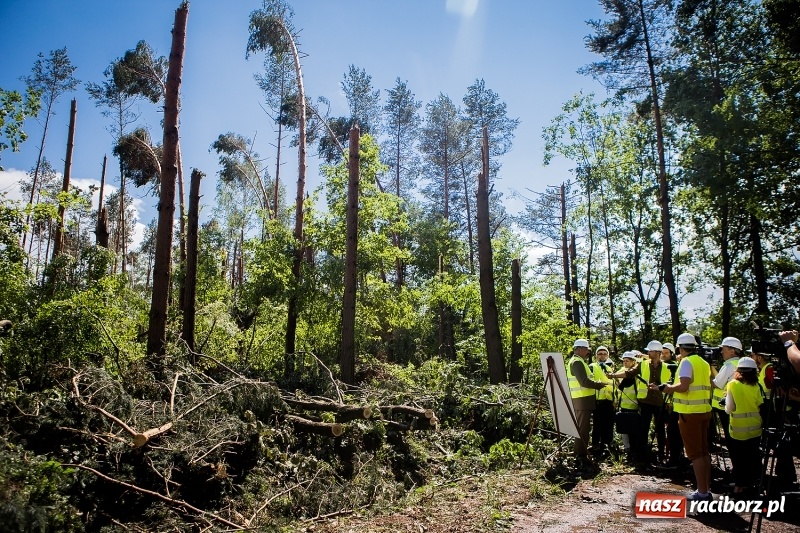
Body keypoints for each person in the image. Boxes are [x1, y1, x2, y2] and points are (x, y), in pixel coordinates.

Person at [652, 333, 713, 502]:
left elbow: (684, 386)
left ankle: (702, 493)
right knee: (704, 452)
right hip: (704, 411)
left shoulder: (687, 362)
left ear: (680, 347)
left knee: (696, 454)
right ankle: (706, 489)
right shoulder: (703, 362)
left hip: (689, 412)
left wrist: (666, 388)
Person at [610, 340, 670, 465]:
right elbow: (629, 373)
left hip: (659, 402)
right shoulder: (642, 365)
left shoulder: (666, 367)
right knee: (643, 428)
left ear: (657, 352)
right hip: (645, 402)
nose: (648, 352)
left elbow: (670, 384)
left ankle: (661, 453)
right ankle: (641, 454)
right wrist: (614, 375)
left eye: (650, 351)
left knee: (660, 429)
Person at [724, 356, 763, 495]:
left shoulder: (732, 384)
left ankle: (738, 487)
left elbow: (729, 408)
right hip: (755, 428)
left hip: (737, 430)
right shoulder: (757, 386)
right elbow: (759, 404)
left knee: (738, 459)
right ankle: (752, 484)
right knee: (752, 456)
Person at [566, 338, 608, 464]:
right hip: (581, 400)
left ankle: (580, 452)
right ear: (579, 349)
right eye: (586, 350)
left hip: (582, 400)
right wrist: (598, 385)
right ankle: (580, 454)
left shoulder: (577, 361)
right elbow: (584, 382)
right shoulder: (577, 362)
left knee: (582, 428)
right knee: (582, 429)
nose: (587, 352)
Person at [711, 337, 743, 446]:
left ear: (732, 351)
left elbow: (717, 384)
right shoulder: (739, 363)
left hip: (724, 406)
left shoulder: (729, 365)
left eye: (723, 349)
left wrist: (706, 376)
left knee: (730, 435)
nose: (721, 352)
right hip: (735, 404)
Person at [613, 352, 642, 461]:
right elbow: (617, 390)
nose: (625, 362)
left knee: (634, 430)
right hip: (623, 406)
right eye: (624, 361)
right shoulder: (619, 372)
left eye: (627, 361)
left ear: (633, 362)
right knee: (624, 430)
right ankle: (627, 450)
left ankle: (635, 450)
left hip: (635, 406)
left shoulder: (636, 373)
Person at [661, 341, 685, 468]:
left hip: (674, 405)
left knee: (673, 431)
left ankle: (675, 457)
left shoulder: (675, 366)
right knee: (669, 431)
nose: (663, 355)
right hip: (664, 403)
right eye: (662, 353)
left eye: (666, 353)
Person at [589, 346, 616, 456]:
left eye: (604, 354)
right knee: (597, 425)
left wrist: (615, 399)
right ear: (596, 356)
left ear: (608, 356)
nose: (602, 356)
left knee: (608, 425)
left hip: (609, 401)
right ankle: (596, 446)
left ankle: (607, 446)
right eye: (600, 354)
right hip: (598, 400)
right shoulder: (592, 366)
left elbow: (614, 385)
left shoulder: (610, 368)